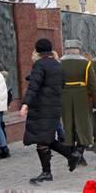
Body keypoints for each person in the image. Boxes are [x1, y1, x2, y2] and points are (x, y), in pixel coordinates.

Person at [19, 39, 78, 182]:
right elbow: (60, 83)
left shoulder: (39, 65)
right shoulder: (58, 65)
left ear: (38, 51)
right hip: (54, 107)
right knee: (47, 139)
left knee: (42, 140)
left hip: (41, 108)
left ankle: (47, 172)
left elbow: (34, 86)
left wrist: (25, 104)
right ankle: (71, 155)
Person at [60, 39, 96, 166]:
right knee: (84, 126)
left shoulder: (59, 63)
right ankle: (79, 152)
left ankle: (73, 155)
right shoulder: (86, 64)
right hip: (81, 98)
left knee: (68, 126)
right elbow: (93, 85)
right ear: (78, 49)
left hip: (64, 96)